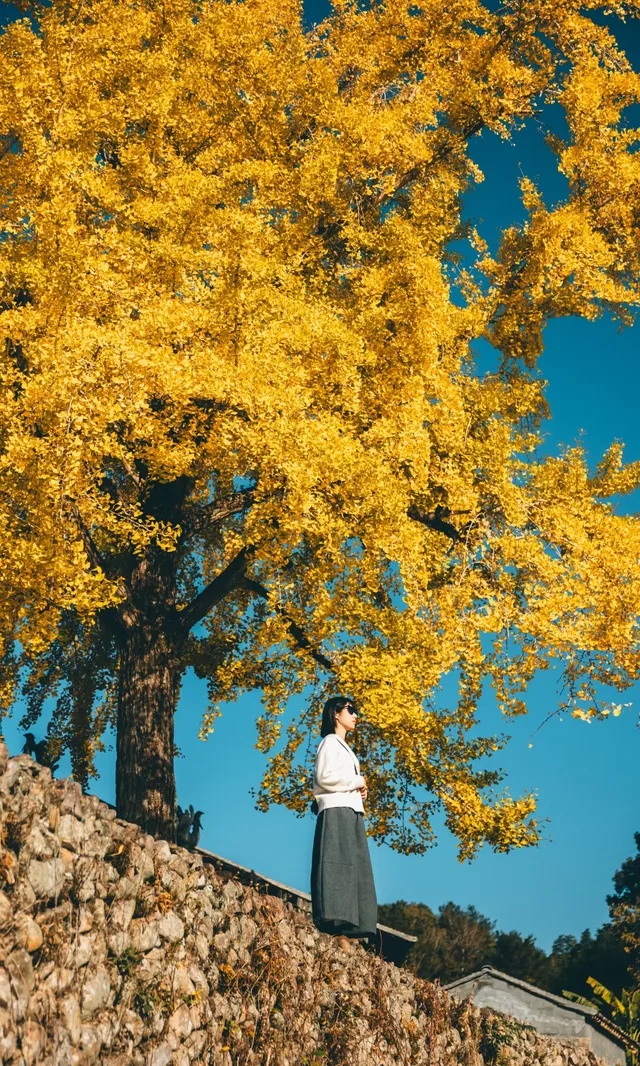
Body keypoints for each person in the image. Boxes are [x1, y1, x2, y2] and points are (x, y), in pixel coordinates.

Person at [310, 695, 378, 950]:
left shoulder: (343, 747)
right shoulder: (329, 742)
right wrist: (357, 782)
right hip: (336, 810)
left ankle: (351, 926)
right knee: (337, 864)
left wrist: (359, 790)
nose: (355, 715)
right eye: (351, 710)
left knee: (353, 865)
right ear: (336, 714)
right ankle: (334, 925)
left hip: (350, 810)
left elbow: (339, 779)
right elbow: (324, 777)